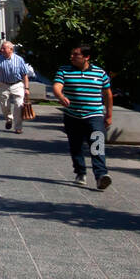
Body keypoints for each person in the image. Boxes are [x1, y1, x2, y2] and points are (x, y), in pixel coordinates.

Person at [52, 44, 113, 189]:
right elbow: (56, 86)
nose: (71, 57)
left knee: (97, 143)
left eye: (75, 55)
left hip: (95, 115)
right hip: (72, 115)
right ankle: (80, 172)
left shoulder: (100, 73)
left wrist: (109, 114)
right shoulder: (64, 70)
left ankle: (101, 175)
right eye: (72, 54)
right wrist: (60, 96)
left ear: (86, 57)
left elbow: (107, 94)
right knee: (76, 146)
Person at [0, 40, 33, 133]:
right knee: (4, 105)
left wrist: (26, 88)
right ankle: (9, 119)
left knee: (19, 105)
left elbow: (25, 75)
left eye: (3, 48)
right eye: (1, 48)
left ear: (11, 49)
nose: (1, 50)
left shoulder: (19, 59)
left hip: (17, 85)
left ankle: (18, 127)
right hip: (3, 85)